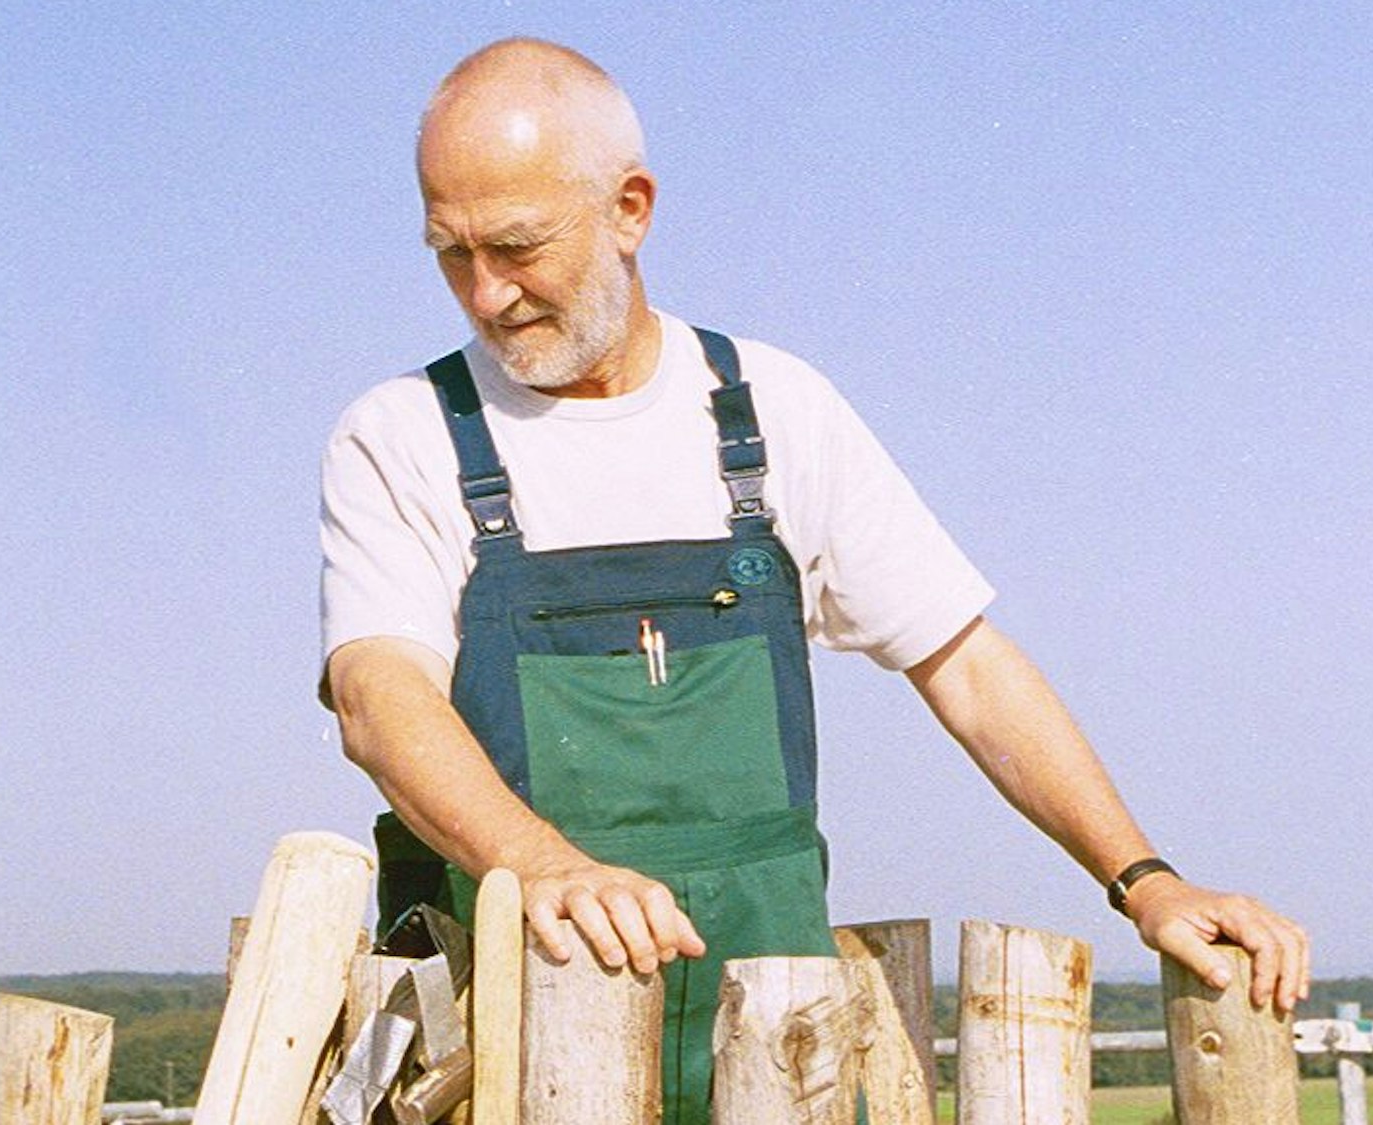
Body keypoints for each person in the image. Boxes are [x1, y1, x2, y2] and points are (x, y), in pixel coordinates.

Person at [320, 37, 1309, 1122]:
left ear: (630, 209)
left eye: (516, 247)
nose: (486, 293)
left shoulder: (770, 410)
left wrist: (1143, 880)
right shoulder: (403, 435)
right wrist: (539, 866)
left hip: (770, 1043)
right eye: (450, 253)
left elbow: (966, 666)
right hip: (509, 1051)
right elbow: (379, 697)